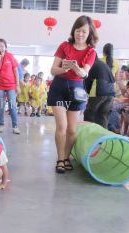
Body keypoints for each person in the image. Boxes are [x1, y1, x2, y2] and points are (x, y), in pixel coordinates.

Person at [48, 15, 98, 173]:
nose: (80, 34)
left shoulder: (91, 52)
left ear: (89, 33)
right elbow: (53, 69)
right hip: (59, 88)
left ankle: (66, 157)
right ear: (73, 31)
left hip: (77, 90)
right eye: (78, 30)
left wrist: (77, 69)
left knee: (72, 130)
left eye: (84, 31)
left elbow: (85, 74)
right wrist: (65, 69)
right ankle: (60, 159)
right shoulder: (64, 46)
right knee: (61, 126)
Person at [0, 38, 21, 134]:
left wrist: (17, 85)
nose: (0, 48)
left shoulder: (10, 56)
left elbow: (15, 71)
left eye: (2, 46)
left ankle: (15, 126)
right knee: (1, 106)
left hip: (11, 85)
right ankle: (1, 124)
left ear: (5, 47)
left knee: (12, 106)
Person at [84, 56, 115, 128]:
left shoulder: (92, 64)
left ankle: (87, 133)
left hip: (99, 91)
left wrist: (86, 93)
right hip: (111, 92)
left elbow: (87, 81)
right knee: (103, 116)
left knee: (89, 113)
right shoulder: (103, 64)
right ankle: (103, 137)